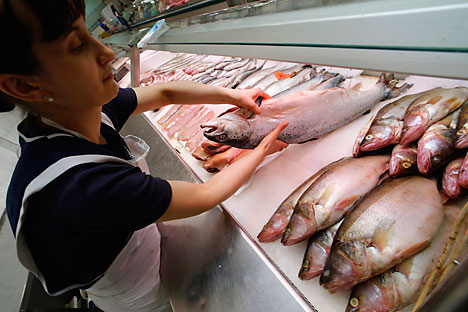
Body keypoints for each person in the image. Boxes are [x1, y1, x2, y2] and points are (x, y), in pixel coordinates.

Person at [0, 1, 288, 311]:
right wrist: (260, 146)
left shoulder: (79, 114)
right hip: (135, 292)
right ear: (25, 85)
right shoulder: (85, 188)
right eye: (77, 46)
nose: (107, 52)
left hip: (129, 240)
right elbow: (208, 193)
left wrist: (231, 95)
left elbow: (165, 94)